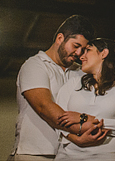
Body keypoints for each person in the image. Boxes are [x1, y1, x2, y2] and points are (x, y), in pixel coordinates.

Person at [11, 14, 108, 160]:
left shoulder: (80, 73)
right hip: (34, 154)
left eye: (83, 49)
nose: (79, 53)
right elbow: (45, 107)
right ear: (60, 38)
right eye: (76, 46)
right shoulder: (35, 65)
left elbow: (97, 106)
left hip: (69, 155)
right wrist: (84, 128)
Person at [54, 38, 115, 161]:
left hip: (106, 157)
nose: (81, 57)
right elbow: (58, 121)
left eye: (88, 50)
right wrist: (77, 139)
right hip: (68, 156)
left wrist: (83, 118)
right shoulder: (72, 84)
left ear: (103, 53)